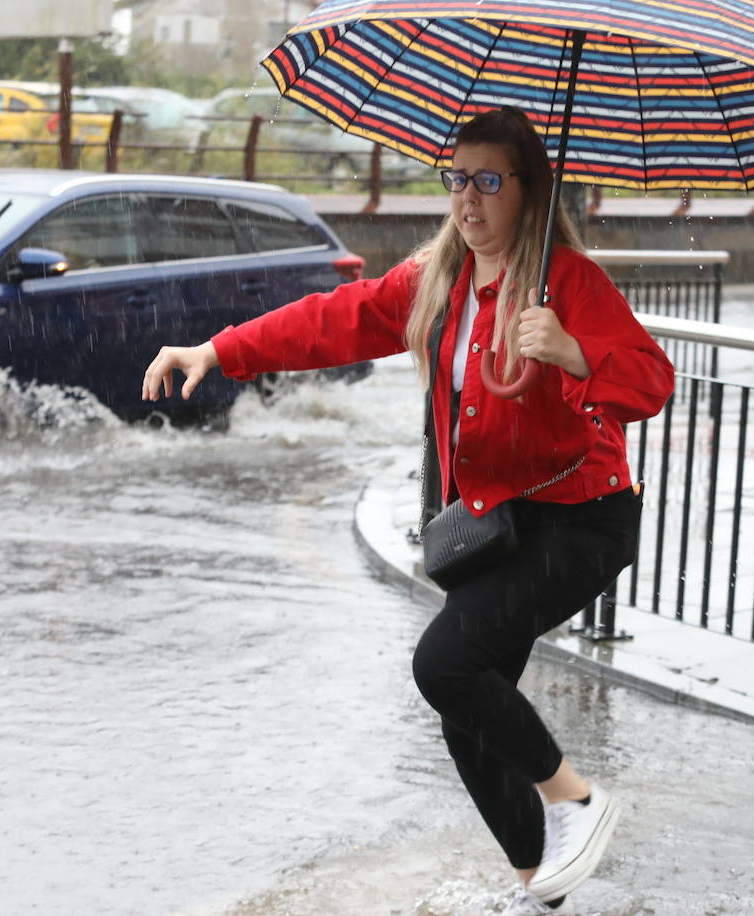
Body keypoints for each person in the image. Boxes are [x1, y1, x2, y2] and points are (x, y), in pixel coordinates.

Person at [141, 106, 674, 914]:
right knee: (469, 714)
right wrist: (219, 350)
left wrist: (573, 352)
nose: (467, 198)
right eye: (456, 178)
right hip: (499, 523)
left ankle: (577, 801)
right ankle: (541, 887)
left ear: (528, 191)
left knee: (443, 664)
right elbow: (334, 321)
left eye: (488, 180)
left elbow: (651, 382)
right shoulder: (442, 279)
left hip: (582, 519)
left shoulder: (568, 282)